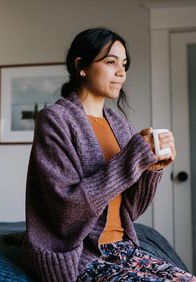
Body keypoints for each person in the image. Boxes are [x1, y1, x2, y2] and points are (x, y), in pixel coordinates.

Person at [21, 27, 195, 281]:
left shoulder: (119, 124)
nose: (121, 72)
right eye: (110, 62)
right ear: (81, 66)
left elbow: (130, 211)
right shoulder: (56, 120)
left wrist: (152, 170)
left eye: (124, 64)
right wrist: (133, 156)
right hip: (80, 255)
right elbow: (68, 209)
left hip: (122, 247)